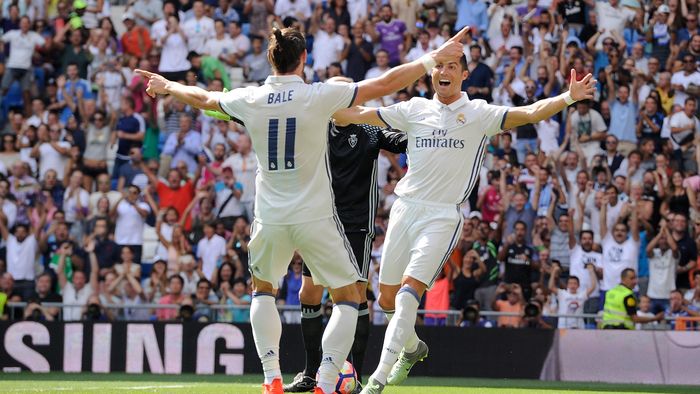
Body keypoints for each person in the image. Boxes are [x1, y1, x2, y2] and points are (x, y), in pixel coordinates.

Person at [135, 25, 467, 394]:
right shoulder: (318, 97)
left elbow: (205, 98)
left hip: (269, 216)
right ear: (304, 59)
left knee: (262, 290)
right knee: (347, 296)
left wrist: (168, 87)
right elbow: (385, 83)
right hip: (315, 218)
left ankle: (270, 376)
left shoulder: (252, 98)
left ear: (270, 59)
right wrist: (429, 59)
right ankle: (326, 380)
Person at [334, 56, 595, 392]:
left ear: (464, 74)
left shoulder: (479, 114)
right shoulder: (412, 109)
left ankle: (377, 380)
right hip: (403, 209)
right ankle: (412, 349)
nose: (444, 72)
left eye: (452, 67)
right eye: (439, 66)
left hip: (442, 216)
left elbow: (530, 113)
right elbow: (353, 115)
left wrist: (568, 97)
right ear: (431, 73)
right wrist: (322, 103)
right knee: (386, 301)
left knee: (407, 296)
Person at [284, 94, 407, 391]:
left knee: (355, 295)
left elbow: (403, 140)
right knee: (309, 294)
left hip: (355, 226)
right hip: (321, 222)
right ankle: (311, 373)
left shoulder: (370, 130)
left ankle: (357, 377)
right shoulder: (316, 127)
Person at [548, 263, 597, 329]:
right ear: (567, 285)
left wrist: (591, 271)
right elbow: (551, 287)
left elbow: (593, 287)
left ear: (578, 285)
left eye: (575, 283)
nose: (572, 285)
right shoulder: (562, 293)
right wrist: (554, 272)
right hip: (563, 326)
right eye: (570, 283)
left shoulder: (582, 295)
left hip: (579, 326)